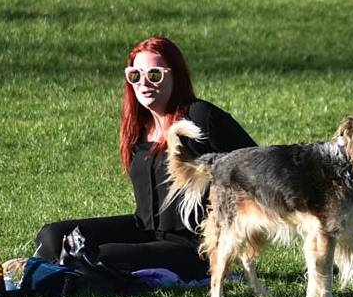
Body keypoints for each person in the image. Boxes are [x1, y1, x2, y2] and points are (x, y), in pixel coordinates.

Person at [34, 36, 257, 281]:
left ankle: (63, 275)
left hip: (192, 246)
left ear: (176, 76)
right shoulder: (138, 128)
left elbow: (255, 163)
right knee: (52, 235)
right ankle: (51, 272)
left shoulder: (199, 117)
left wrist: (231, 223)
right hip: (144, 231)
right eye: (135, 75)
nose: (144, 83)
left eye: (154, 75)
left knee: (101, 256)